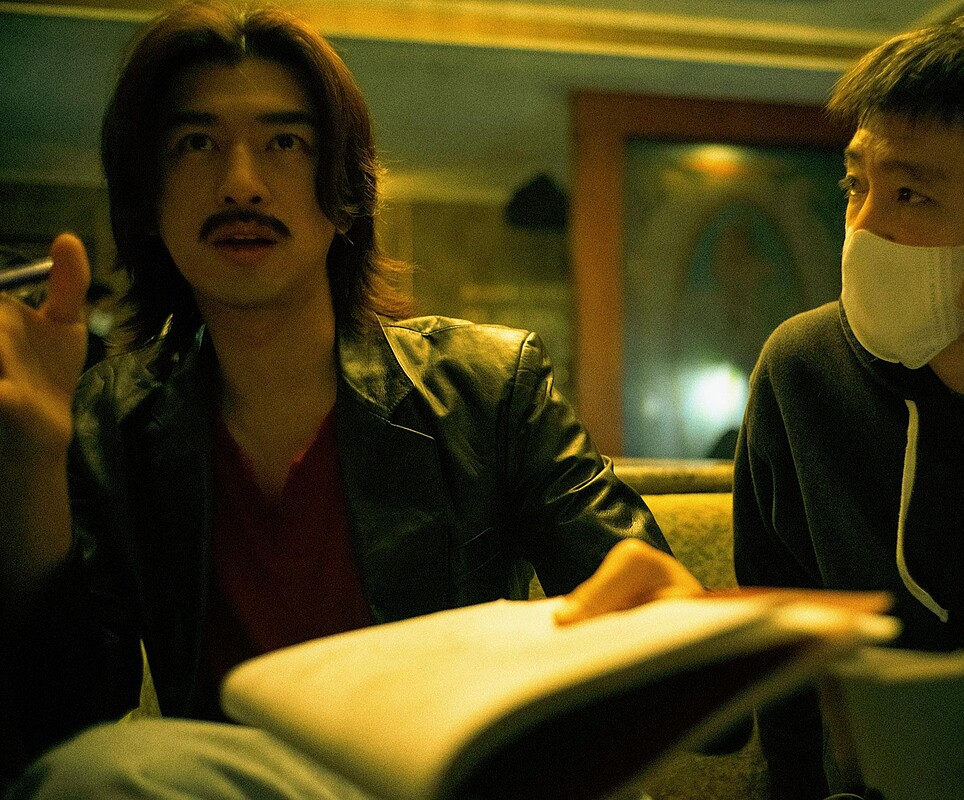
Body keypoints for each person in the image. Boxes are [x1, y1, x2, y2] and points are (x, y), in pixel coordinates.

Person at [0, 1, 669, 795]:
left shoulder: (490, 385)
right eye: (196, 144)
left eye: (285, 143)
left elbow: (700, 688)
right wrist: (31, 461)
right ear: (148, 199)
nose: (240, 184)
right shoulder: (111, 420)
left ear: (345, 195)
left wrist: (675, 623)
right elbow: (59, 725)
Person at [562, 1, 964, 798]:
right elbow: (788, 721)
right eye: (855, 185)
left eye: (910, 195)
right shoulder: (802, 373)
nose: (862, 230)